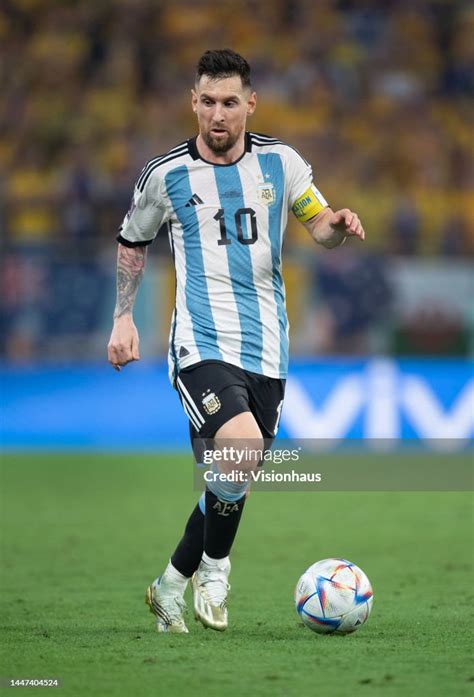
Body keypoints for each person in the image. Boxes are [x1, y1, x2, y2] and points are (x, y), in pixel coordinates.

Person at [107, 49, 365, 634]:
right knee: (242, 446)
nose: (217, 115)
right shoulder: (166, 175)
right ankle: (217, 568)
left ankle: (171, 582)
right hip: (199, 342)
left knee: (234, 472)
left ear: (250, 104)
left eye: (229, 103)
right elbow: (131, 240)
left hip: (268, 346)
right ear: (192, 103)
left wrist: (338, 225)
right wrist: (123, 318)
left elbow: (316, 224)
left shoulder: (282, 163)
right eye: (207, 102)